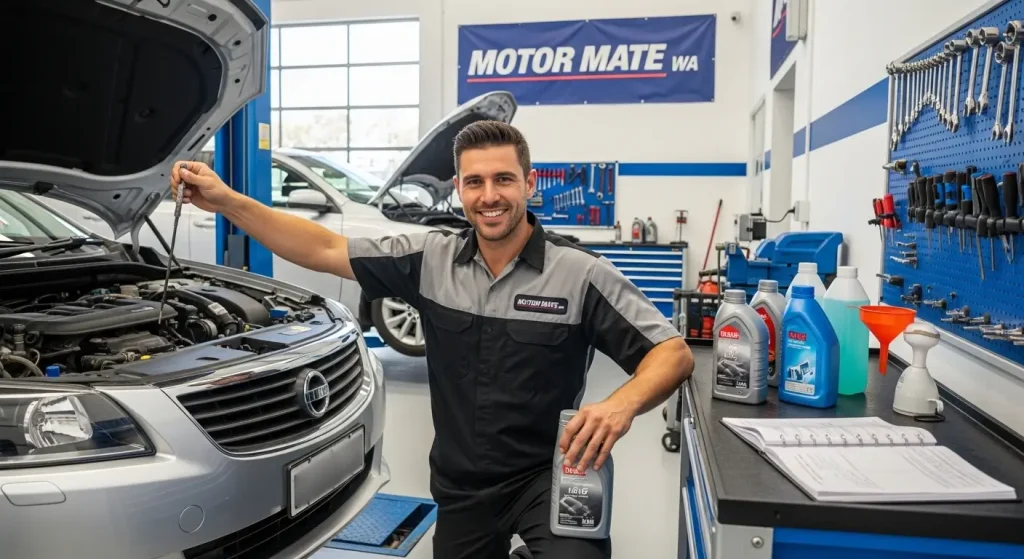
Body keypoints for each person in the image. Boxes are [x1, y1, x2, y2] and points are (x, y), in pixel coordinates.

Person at [170, 120, 694, 559]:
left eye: (504, 180)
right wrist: (228, 202)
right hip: (463, 487)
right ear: (458, 188)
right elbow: (324, 247)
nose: (489, 197)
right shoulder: (429, 261)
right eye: (475, 182)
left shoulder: (581, 274)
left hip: (552, 475)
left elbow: (671, 352)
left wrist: (621, 405)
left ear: (529, 184)